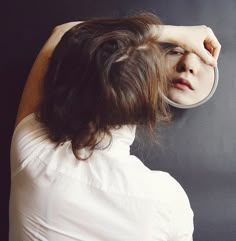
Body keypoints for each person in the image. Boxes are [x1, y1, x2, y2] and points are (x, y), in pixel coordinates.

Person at [10, 13, 221, 241]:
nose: (188, 65)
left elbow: (66, 33)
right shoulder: (169, 201)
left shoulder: (32, 153)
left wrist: (176, 33)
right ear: (150, 109)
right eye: (177, 52)